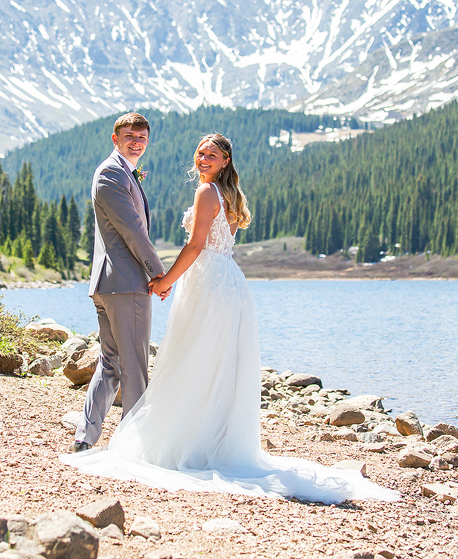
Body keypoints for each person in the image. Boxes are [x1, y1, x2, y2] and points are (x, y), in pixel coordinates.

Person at [61, 133, 399, 504]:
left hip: (207, 282)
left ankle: (184, 443)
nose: (204, 159)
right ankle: (212, 441)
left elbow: (195, 245)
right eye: (201, 153)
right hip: (228, 282)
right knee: (216, 365)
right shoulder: (231, 195)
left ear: (225, 161)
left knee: (194, 360)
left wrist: (165, 280)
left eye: (213, 155)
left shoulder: (207, 193)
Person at [70, 112, 168, 453]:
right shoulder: (111, 172)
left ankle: (85, 440)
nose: (136, 141)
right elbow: (131, 229)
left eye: (142, 136)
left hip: (110, 282)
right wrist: (158, 272)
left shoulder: (124, 171)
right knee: (135, 367)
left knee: (110, 364)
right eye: (130, 136)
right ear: (116, 138)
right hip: (125, 283)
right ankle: (135, 447)